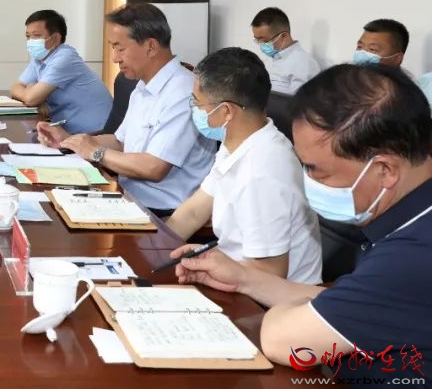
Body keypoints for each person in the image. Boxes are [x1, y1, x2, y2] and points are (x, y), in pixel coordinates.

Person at [174, 65, 431, 381]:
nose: (307, 180)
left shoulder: (413, 255)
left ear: (385, 170)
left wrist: (287, 314)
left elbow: (284, 341)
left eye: (315, 170)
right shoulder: (412, 217)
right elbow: (351, 302)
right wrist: (241, 279)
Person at [36, 3, 214, 217]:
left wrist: (95, 152)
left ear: (151, 46)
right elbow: (120, 142)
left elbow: (153, 168)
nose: (115, 58)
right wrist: (70, 141)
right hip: (128, 197)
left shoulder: (183, 92)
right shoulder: (143, 86)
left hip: (164, 213)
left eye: (120, 48)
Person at [165, 47, 321, 284]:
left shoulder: (263, 170)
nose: (193, 108)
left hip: (264, 295)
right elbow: (194, 212)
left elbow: (270, 272)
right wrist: (153, 248)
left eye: (196, 102)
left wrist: (207, 265)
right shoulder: (237, 143)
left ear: (226, 111)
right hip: (233, 274)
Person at [10, 9, 111, 133]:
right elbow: (16, 88)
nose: (30, 41)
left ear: (56, 38)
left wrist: (33, 95)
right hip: (67, 131)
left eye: (36, 36)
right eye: (28, 36)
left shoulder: (65, 58)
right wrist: (35, 97)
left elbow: (31, 99)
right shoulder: (39, 58)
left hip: (95, 133)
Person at [250, 7, 320, 94]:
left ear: (283, 36)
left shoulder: (304, 65)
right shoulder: (268, 60)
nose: (261, 45)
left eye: (265, 41)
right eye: (257, 40)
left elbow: (297, 101)